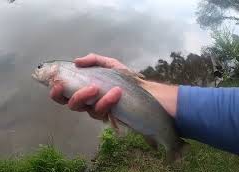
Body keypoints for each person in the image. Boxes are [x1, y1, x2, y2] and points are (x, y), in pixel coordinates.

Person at [49, 53, 239, 155]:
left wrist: (135, 84)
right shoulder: (59, 75)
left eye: (40, 66)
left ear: (53, 68)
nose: (38, 70)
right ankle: (170, 141)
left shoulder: (60, 71)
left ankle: (174, 145)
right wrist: (143, 87)